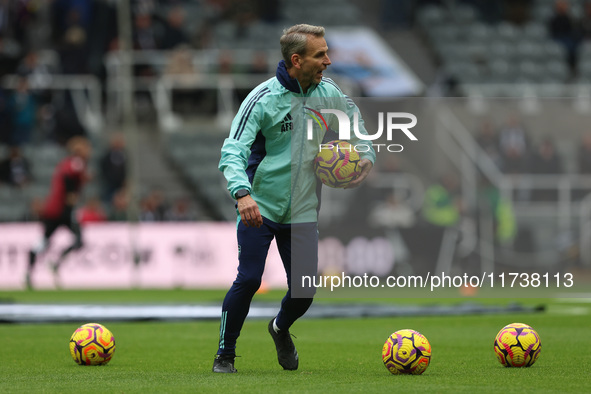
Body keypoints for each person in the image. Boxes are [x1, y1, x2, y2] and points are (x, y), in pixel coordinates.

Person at [214, 24, 375, 373]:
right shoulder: (262, 99)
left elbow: (356, 124)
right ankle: (225, 354)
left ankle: (280, 328)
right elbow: (233, 152)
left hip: (303, 210)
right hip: (260, 206)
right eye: (321, 55)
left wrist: (365, 156)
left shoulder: (329, 93)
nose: (329, 61)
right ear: (297, 60)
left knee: (304, 292)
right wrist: (242, 194)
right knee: (250, 279)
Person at [26, 136, 91, 289]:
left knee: (44, 241)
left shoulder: (65, 163)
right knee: (79, 240)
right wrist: (71, 196)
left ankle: (29, 271)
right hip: (63, 211)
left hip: (52, 211)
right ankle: (56, 263)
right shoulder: (77, 163)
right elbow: (69, 179)